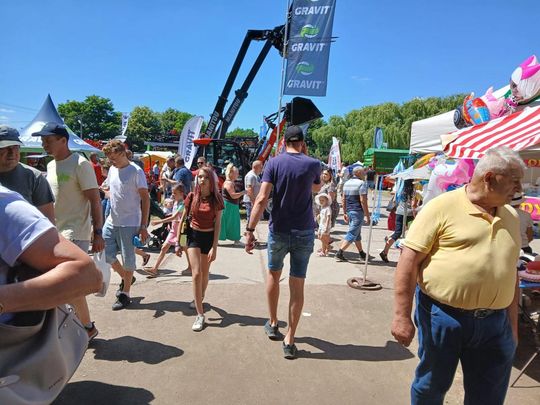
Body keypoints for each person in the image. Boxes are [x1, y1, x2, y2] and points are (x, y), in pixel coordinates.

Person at [391, 146, 524, 405]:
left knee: (488, 396)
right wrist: (401, 316)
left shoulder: (511, 215)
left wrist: (512, 328)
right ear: (489, 178)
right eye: (514, 181)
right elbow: (408, 262)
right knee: (431, 386)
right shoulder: (441, 207)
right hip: (443, 317)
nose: (519, 188)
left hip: (496, 325)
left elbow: (511, 272)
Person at [245, 125, 321, 359]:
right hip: (304, 230)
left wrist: (250, 230)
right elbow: (316, 187)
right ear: (302, 143)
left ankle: (273, 322)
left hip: (278, 229)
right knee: (297, 284)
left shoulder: (274, 163)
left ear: (284, 143)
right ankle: (290, 339)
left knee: (273, 275)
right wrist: (306, 159)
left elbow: (261, 198)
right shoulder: (313, 164)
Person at [32, 122, 105, 340]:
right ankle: (83, 327)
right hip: (53, 233)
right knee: (67, 286)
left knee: (67, 285)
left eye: (48, 140)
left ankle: (81, 328)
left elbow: (95, 200)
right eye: (43, 140)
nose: (44, 144)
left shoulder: (81, 164)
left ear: (63, 140)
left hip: (75, 232)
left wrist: (98, 233)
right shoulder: (50, 165)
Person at [0, 185, 102, 324]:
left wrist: (98, 233)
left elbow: (87, 276)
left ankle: (86, 325)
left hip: (71, 234)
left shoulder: (6, 203)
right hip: (55, 236)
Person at [101, 140, 150, 311]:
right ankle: (127, 278)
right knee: (106, 255)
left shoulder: (136, 171)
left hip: (130, 222)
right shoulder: (112, 170)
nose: (112, 162)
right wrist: (101, 191)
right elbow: (109, 190)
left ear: (123, 153)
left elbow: (145, 198)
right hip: (111, 220)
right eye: (110, 159)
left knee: (128, 259)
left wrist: (143, 226)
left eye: (114, 158)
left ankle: (125, 293)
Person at [177, 166, 223, 331]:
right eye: (200, 177)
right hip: (194, 237)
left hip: (208, 238)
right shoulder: (191, 196)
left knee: (204, 273)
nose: (202, 180)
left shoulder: (217, 199)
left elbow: (217, 225)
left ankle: (200, 295)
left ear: (211, 180)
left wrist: (214, 248)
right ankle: (200, 314)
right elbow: (183, 220)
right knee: (196, 274)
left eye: (206, 177)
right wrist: (178, 242)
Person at [0, 125, 55, 222]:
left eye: (16, 147)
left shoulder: (34, 177)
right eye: (5, 147)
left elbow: (48, 221)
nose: (12, 152)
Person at [145, 183, 187, 278]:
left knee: (186, 249)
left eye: (175, 193)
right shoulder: (176, 202)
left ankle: (192, 267)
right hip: (173, 230)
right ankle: (155, 269)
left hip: (181, 231)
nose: (173, 195)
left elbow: (174, 217)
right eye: (172, 193)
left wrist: (159, 222)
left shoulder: (183, 204)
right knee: (164, 248)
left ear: (181, 193)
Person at [335, 166, 371, 262]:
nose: (365, 174)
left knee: (356, 233)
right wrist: (367, 216)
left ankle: (361, 253)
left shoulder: (346, 183)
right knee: (352, 233)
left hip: (349, 211)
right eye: (363, 172)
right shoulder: (362, 184)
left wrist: (344, 212)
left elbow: (343, 199)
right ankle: (340, 252)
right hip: (357, 211)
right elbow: (363, 200)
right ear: (358, 172)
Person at [379, 179, 415, 263]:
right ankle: (387, 248)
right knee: (409, 230)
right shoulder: (413, 191)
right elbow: (413, 204)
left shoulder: (401, 189)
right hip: (409, 214)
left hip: (399, 212)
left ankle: (385, 250)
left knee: (399, 231)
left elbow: (395, 200)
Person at [219, 163, 245, 242]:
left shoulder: (230, 182)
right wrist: (242, 193)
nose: (238, 174)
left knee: (232, 223)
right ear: (231, 173)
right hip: (229, 206)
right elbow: (233, 196)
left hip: (231, 205)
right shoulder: (229, 183)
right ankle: (235, 239)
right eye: (236, 173)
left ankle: (235, 239)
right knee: (231, 223)